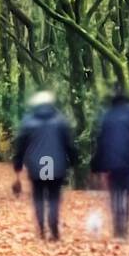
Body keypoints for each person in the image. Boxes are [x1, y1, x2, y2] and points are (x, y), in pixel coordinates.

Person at [12, 90, 78, 241]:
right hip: (56, 166)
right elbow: (69, 144)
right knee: (54, 197)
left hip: (37, 166)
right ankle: (53, 227)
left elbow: (20, 146)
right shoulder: (60, 121)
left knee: (39, 197)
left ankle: (41, 229)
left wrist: (18, 164)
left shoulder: (28, 122)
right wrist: (74, 162)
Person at [91, 84, 129, 238]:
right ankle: (124, 227)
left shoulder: (107, 115)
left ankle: (118, 228)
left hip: (112, 163)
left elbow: (101, 141)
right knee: (126, 195)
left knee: (115, 194)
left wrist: (96, 165)